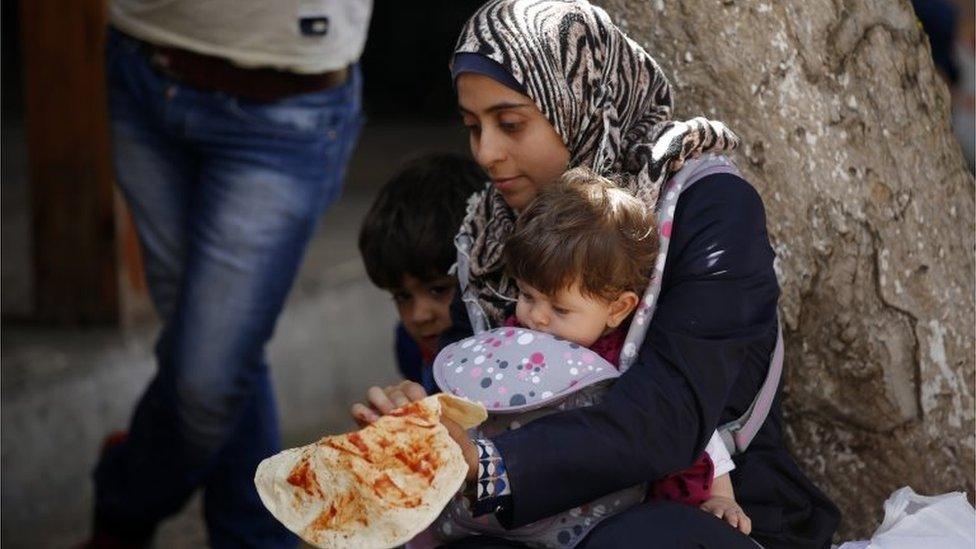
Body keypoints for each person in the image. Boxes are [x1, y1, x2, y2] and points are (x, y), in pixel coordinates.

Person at [354, 1, 840, 547]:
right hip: (534, 521)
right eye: (473, 127)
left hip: (700, 512)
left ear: (578, 104)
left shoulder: (705, 207)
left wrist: (489, 464)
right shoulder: (491, 229)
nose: (486, 153)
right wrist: (420, 420)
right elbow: (476, 384)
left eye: (510, 123)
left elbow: (668, 415)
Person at [88, 1, 370, 547]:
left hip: (285, 104)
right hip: (143, 61)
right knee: (213, 350)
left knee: (207, 377)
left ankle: (126, 498)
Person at [416, 169, 750, 548]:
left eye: (560, 308)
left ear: (618, 308)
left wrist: (722, 497)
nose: (537, 317)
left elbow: (698, 436)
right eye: (527, 296)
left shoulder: (629, 362)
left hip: (607, 527)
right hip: (514, 521)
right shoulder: (509, 347)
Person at [358, 153, 487, 393]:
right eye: (402, 296)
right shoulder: (410, 347)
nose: (419, 316)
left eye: (438, 289)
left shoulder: (514, 345)